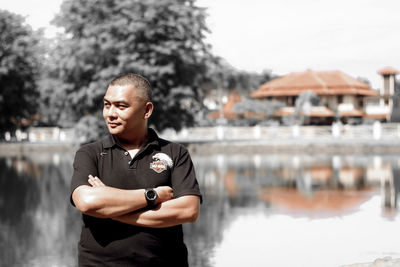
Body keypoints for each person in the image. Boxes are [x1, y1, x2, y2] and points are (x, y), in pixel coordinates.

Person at [70, 73, 202, 266]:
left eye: (121, 106)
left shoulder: (175, 153)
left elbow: (188, 211)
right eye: (107, 105)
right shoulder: (90, 154)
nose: (110, 113)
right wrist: (152, 196)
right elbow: (88, 202)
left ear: (146, 110)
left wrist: (109, 208)